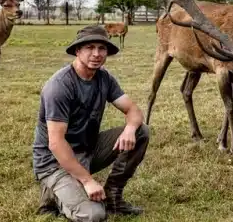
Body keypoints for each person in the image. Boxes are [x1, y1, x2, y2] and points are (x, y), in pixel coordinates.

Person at [32, 25, 150, 222]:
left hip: (87, 150)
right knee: (94, 215)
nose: (96, 54)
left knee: (141, 131)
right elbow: (56, 143)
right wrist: (88, 181)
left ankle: (113, 196)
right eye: (90, 47)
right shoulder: (60, 86)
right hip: (55, 161)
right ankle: (53, 193)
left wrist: (130, 129)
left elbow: (134, 111)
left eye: (102, 48)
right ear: (78, 51)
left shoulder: (104, 78)